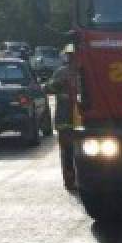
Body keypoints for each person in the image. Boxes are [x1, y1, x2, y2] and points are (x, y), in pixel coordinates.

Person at [44, 47, 79, 191]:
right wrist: (57, 85)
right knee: (67, 152)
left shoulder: (88, 70)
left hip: (83, 120)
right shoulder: (61, 72)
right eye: (70, 56)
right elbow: (47, 89)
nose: (72, 58)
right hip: (65, 120)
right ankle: (70, 181)